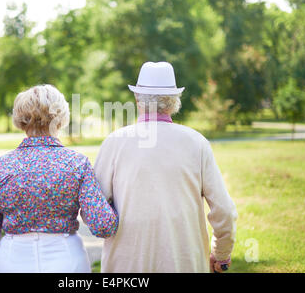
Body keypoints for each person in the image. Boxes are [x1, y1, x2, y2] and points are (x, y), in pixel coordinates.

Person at [94, 61, 237, 273]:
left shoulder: (114, 142)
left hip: (126, 267)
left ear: (137, 99)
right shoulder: (197, 143)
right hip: (185, 264)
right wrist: (221, 255)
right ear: (174, 102)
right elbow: (224, 211)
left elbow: (94, 209)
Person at [0, 84, 118, 273]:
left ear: (20, 119)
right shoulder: (77, 163)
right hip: (66, 258)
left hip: (13, 259)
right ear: (60, 118)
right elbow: (103, 226)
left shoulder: (3, 165)